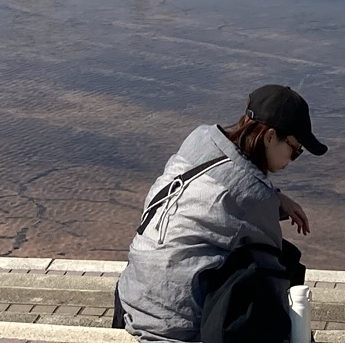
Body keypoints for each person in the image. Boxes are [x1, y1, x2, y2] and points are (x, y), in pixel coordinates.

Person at [115, 84, 324, 343]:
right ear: (270, 136)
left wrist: (276, 196)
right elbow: (272, 274)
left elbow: (226, 178)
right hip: (176, 328)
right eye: (295, 149)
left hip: (132, 298)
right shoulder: (255, 196)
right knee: (272, 267)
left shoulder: (199, 139)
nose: (292, 159)